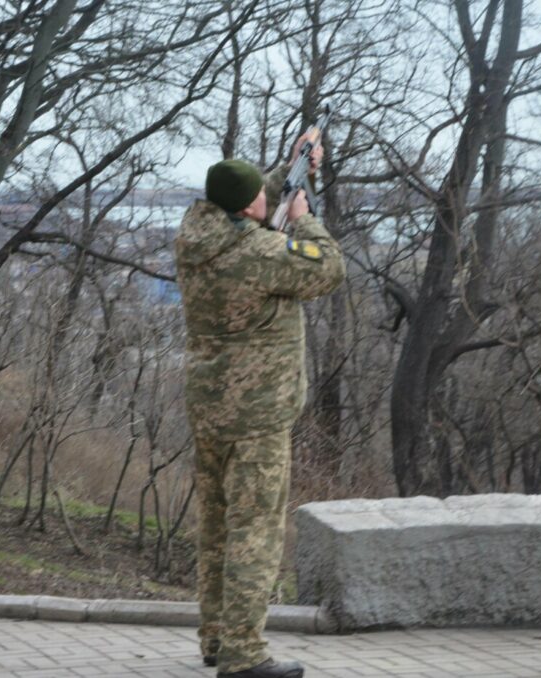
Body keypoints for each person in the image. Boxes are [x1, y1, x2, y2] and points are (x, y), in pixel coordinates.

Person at [175, 135, 345, 678]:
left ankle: (215, 639)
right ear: (251, 206)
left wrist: (292, 169)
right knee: (255, 532)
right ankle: (244, 654)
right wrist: (303, 216)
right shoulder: (260, 251)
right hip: (258, 413)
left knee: (217, 528)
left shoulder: (193, 234)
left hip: (210, 407)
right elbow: (328, 268)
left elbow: (244, 202)